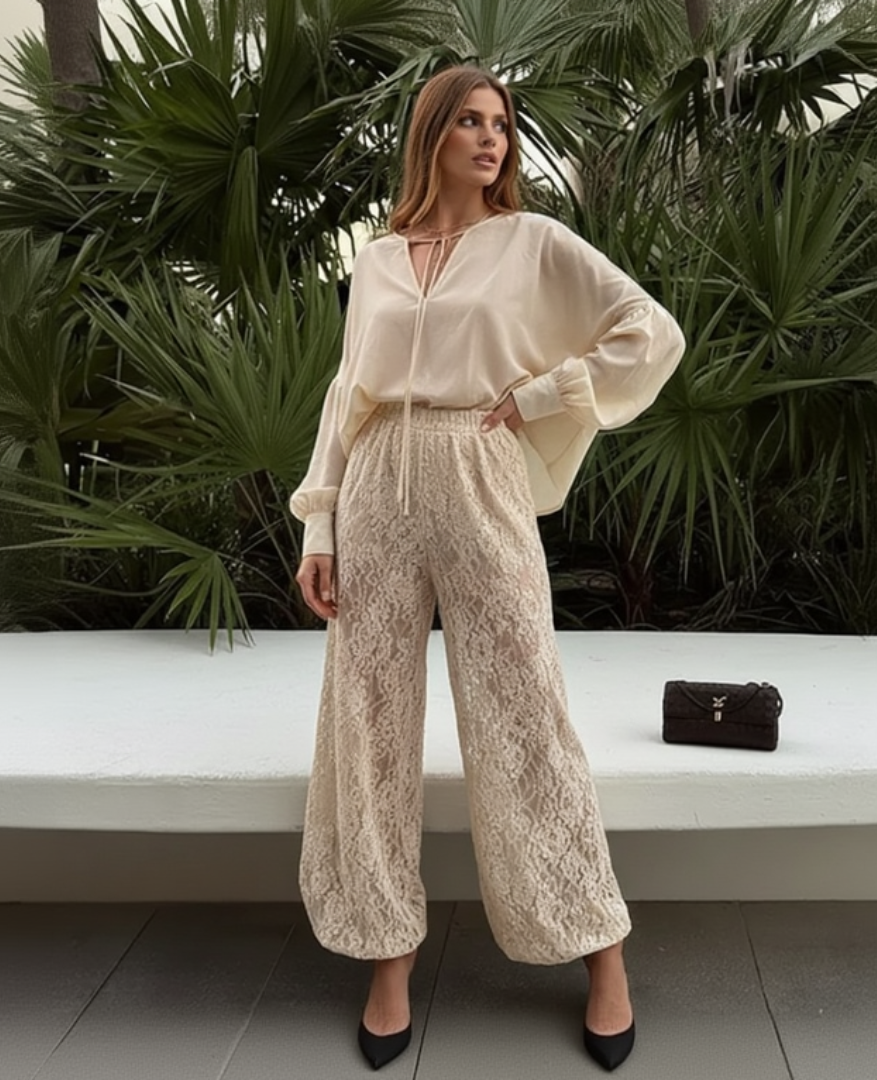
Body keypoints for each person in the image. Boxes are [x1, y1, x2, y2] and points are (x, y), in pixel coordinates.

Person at [290, 64, 685, 1072]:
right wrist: (319, 527)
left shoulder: (532, 242)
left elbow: (650, 331)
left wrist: (548, 393)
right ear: (431, 135)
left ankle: (600, 953)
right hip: (377, 484)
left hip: (479, 469)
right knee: (368, 719)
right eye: (467, 121)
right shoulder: (378, 258)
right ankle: (387, 956)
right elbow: (346, 392)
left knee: (525, 710)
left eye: (500, 123)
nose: (489, 137)